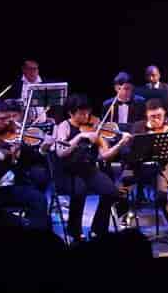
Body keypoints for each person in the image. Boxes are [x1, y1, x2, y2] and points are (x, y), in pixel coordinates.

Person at [54, 94, 130, 243]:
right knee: (79, 190)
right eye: (81, 114)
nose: (86, 117)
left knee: (111, 192)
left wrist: (120, 143)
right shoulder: (64, 126)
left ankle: (98, 229)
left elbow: (105, 155)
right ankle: (74, 231)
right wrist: (80, 137)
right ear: (71, 113)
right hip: (68, 171)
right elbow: (61, 152)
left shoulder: (94, 127)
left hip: (88, 169)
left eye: (87, 113)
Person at [115, 99, 168, 231]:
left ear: (164, 113)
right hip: (138, 166)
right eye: (152, 116)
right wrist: (129, 147)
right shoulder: (138, 127)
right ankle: (125, 214)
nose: (156, 119)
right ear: (146, 115)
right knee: (120, 190)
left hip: (161, 168)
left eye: (159, 116)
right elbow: (126, 150)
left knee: (161, 194)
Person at [0, 100, 49, 230]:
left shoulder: (12, 131)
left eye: (9, 118)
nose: (8, 122)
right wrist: (3, 157)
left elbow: (30, 158)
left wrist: (42, 149)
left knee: (39, 199)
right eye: (2, 119)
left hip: (13, 184)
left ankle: (39, 237)